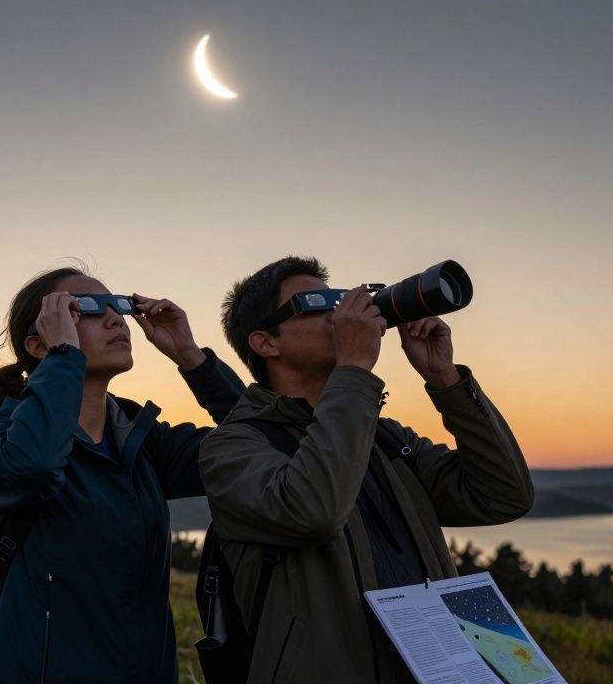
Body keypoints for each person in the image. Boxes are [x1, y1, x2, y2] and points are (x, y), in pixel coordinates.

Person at [199, 256, 535, 683]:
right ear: (266, 343)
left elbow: (503, 496)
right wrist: (353, 369)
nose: (341, 311)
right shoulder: (234, 447)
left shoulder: (386, 439)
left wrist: (446, 379)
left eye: (340, 297)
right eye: (317, 302)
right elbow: (312, 512)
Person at [0, 267, 245, 683]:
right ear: (39, 344)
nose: (116, 319)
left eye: (118, 307)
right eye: (89, 309)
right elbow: (33, 465)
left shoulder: (143, 441)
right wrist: (64, 357)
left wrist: (191, 356)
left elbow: (254, 446)